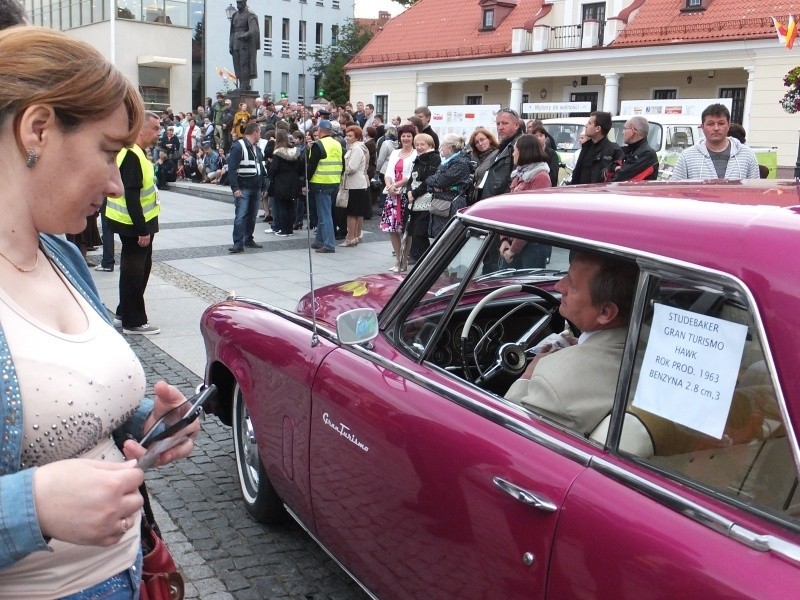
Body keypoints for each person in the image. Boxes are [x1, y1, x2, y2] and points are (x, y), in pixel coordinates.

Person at [0, 26, 199, 596]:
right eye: (109, 151)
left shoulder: (63, 255)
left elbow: (59, 411)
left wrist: (144, 422)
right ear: (37, 129)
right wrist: (29, 505)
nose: (117, 184)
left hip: (130, 571)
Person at [505, 251, 639, 435]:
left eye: (573, 284)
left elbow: (508, 430)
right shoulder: (655, 345)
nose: (558, 286)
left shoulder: (553, 384)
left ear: (605, 312)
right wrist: (583, 346)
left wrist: (527, 376)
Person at [105, 111, 162, 335]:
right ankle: (134, 321)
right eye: (155, 128)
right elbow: (131, 195)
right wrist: (142, 229)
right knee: (134, 273)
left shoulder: (137, 152)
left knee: (138, 270)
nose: (158, 132)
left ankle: (123, 312)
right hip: (134, 224)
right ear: (140, 129)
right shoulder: (131, 154)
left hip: (136, 222)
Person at [478, 108, 524, 273]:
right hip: (492, 209)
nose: (500, 127)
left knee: (496, 265)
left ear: (516, 125)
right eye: (498, 123)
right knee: (489, 260)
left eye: (505, 123)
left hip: (502, 211)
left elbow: (516, 180)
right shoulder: (503, 147)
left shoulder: (518, 146)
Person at [499, 134, 553, 269]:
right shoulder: (518, 175)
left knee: (528, 287)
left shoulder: (541, 177)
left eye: (515, 150)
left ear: (524, 151)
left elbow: (533, 218)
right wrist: (504, 239)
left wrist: (513, 249)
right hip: (513, 240)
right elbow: (508, 210)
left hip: (531, 246)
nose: (513, 154)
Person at [380, 123, 417, 272]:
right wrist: (389, 185)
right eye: (403, 136)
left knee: (406, 229)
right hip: (392, 194)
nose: (406, 138)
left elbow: (410, 176)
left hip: (405, 194)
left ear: (413, 137)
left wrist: (395, 185)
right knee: (392, 228)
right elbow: (388, 171)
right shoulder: (395, 153)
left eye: (409, 136)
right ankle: (397, 259)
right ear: (399, 138)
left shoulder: (416, 154)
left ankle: (404, 259)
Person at [228, 122, 266, 253]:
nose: (260, 135)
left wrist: (264, 187)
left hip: (255, 187)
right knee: (241, 215)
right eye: (259, 132)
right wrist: (235, 188)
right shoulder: (238, 147)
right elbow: (232, 169)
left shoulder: (257, 148)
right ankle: (238, 243)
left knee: (251, 215)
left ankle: (248, 238)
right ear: (254, 133)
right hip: (243, 187)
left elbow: (261, 168)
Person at [306, 119, 343, 253]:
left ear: (320, 131)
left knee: (325, 214)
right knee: (324, 213)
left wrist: (305, 182)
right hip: (334, 181)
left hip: (321, 182)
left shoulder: (318, 145)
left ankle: (329, 244)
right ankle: (319, 241)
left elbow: (311, 166)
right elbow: (342, 163)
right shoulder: (337, 144)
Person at [426, 133, 472, 239]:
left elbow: (438, 181)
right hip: (442, 203)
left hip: (451, 204)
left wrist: (434, 183)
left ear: (450, 148)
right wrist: (433, 183)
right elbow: (431, 182)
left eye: (443, 146)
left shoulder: (460, 163)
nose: (441, 148)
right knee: (439, 236)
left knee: (447, 237)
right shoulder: (449, 162)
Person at [405, 133, 441, 266]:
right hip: (414, 198)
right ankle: (415, 255)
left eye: (422, 144)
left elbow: (429, 180)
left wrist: (415, 192)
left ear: (430, 145)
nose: (419, 147)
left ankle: (425, 257)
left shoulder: (434, 158)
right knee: (414, 229)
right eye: (417, 145)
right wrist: (409, 191)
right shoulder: (418, 158)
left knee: (421, 230)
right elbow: (411, 178)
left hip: (425, 199)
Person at [568, 111, 623, 185]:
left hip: (600, 194)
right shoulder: (586, 147)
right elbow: (577, 174)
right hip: (581, 193)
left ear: (598, 128)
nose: (586, 125)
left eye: (590, 123)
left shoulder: (614, 150)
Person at [340, 125, 371, 246]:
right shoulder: (357, 147)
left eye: (350, 136)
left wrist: (342, 169)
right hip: (358, 183)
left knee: (352, 213)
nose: (347, 138)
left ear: (357, 137)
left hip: (355, 184)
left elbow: (352, 167)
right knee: (357, 213)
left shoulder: (357, 148)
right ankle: (355, 236)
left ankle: (350, 238)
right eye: (347, 135)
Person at [267, 129, 301, 237]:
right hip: (294, 182)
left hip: (281, 182)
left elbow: (274, 169)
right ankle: (290, 229)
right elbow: (300, 168)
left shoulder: (278, 153)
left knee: (282, 206)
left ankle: (284, 229)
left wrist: (270, 176)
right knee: (291, 206)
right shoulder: (295, 152)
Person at [610, 115, 659, 181]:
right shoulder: (626, 151)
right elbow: (606, 170)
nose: (622, 132)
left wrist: (617, 169)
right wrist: (615, 168)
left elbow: (620, 178)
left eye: (625, 128)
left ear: (633, 130)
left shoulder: (647, 154)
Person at [229, 0, 259, 91]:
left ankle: (245, 85)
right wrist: (230, 45)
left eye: (240, 2)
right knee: (237, 65)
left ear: (245, 2)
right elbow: (232, 31)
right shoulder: (234, 15)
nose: (238, 5)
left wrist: (244, 35)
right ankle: (241, 84)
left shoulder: (250, 15)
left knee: (244, 64)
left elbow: (254, 30)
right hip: (235, 43)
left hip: (245, 44)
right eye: (237, 2)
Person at [467, 127, 499, 205]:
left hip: (490, 199)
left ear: (490, 139)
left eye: (482, 140)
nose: (480, 144)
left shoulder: (497, 155)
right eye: (477, 142)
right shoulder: (480, 158)